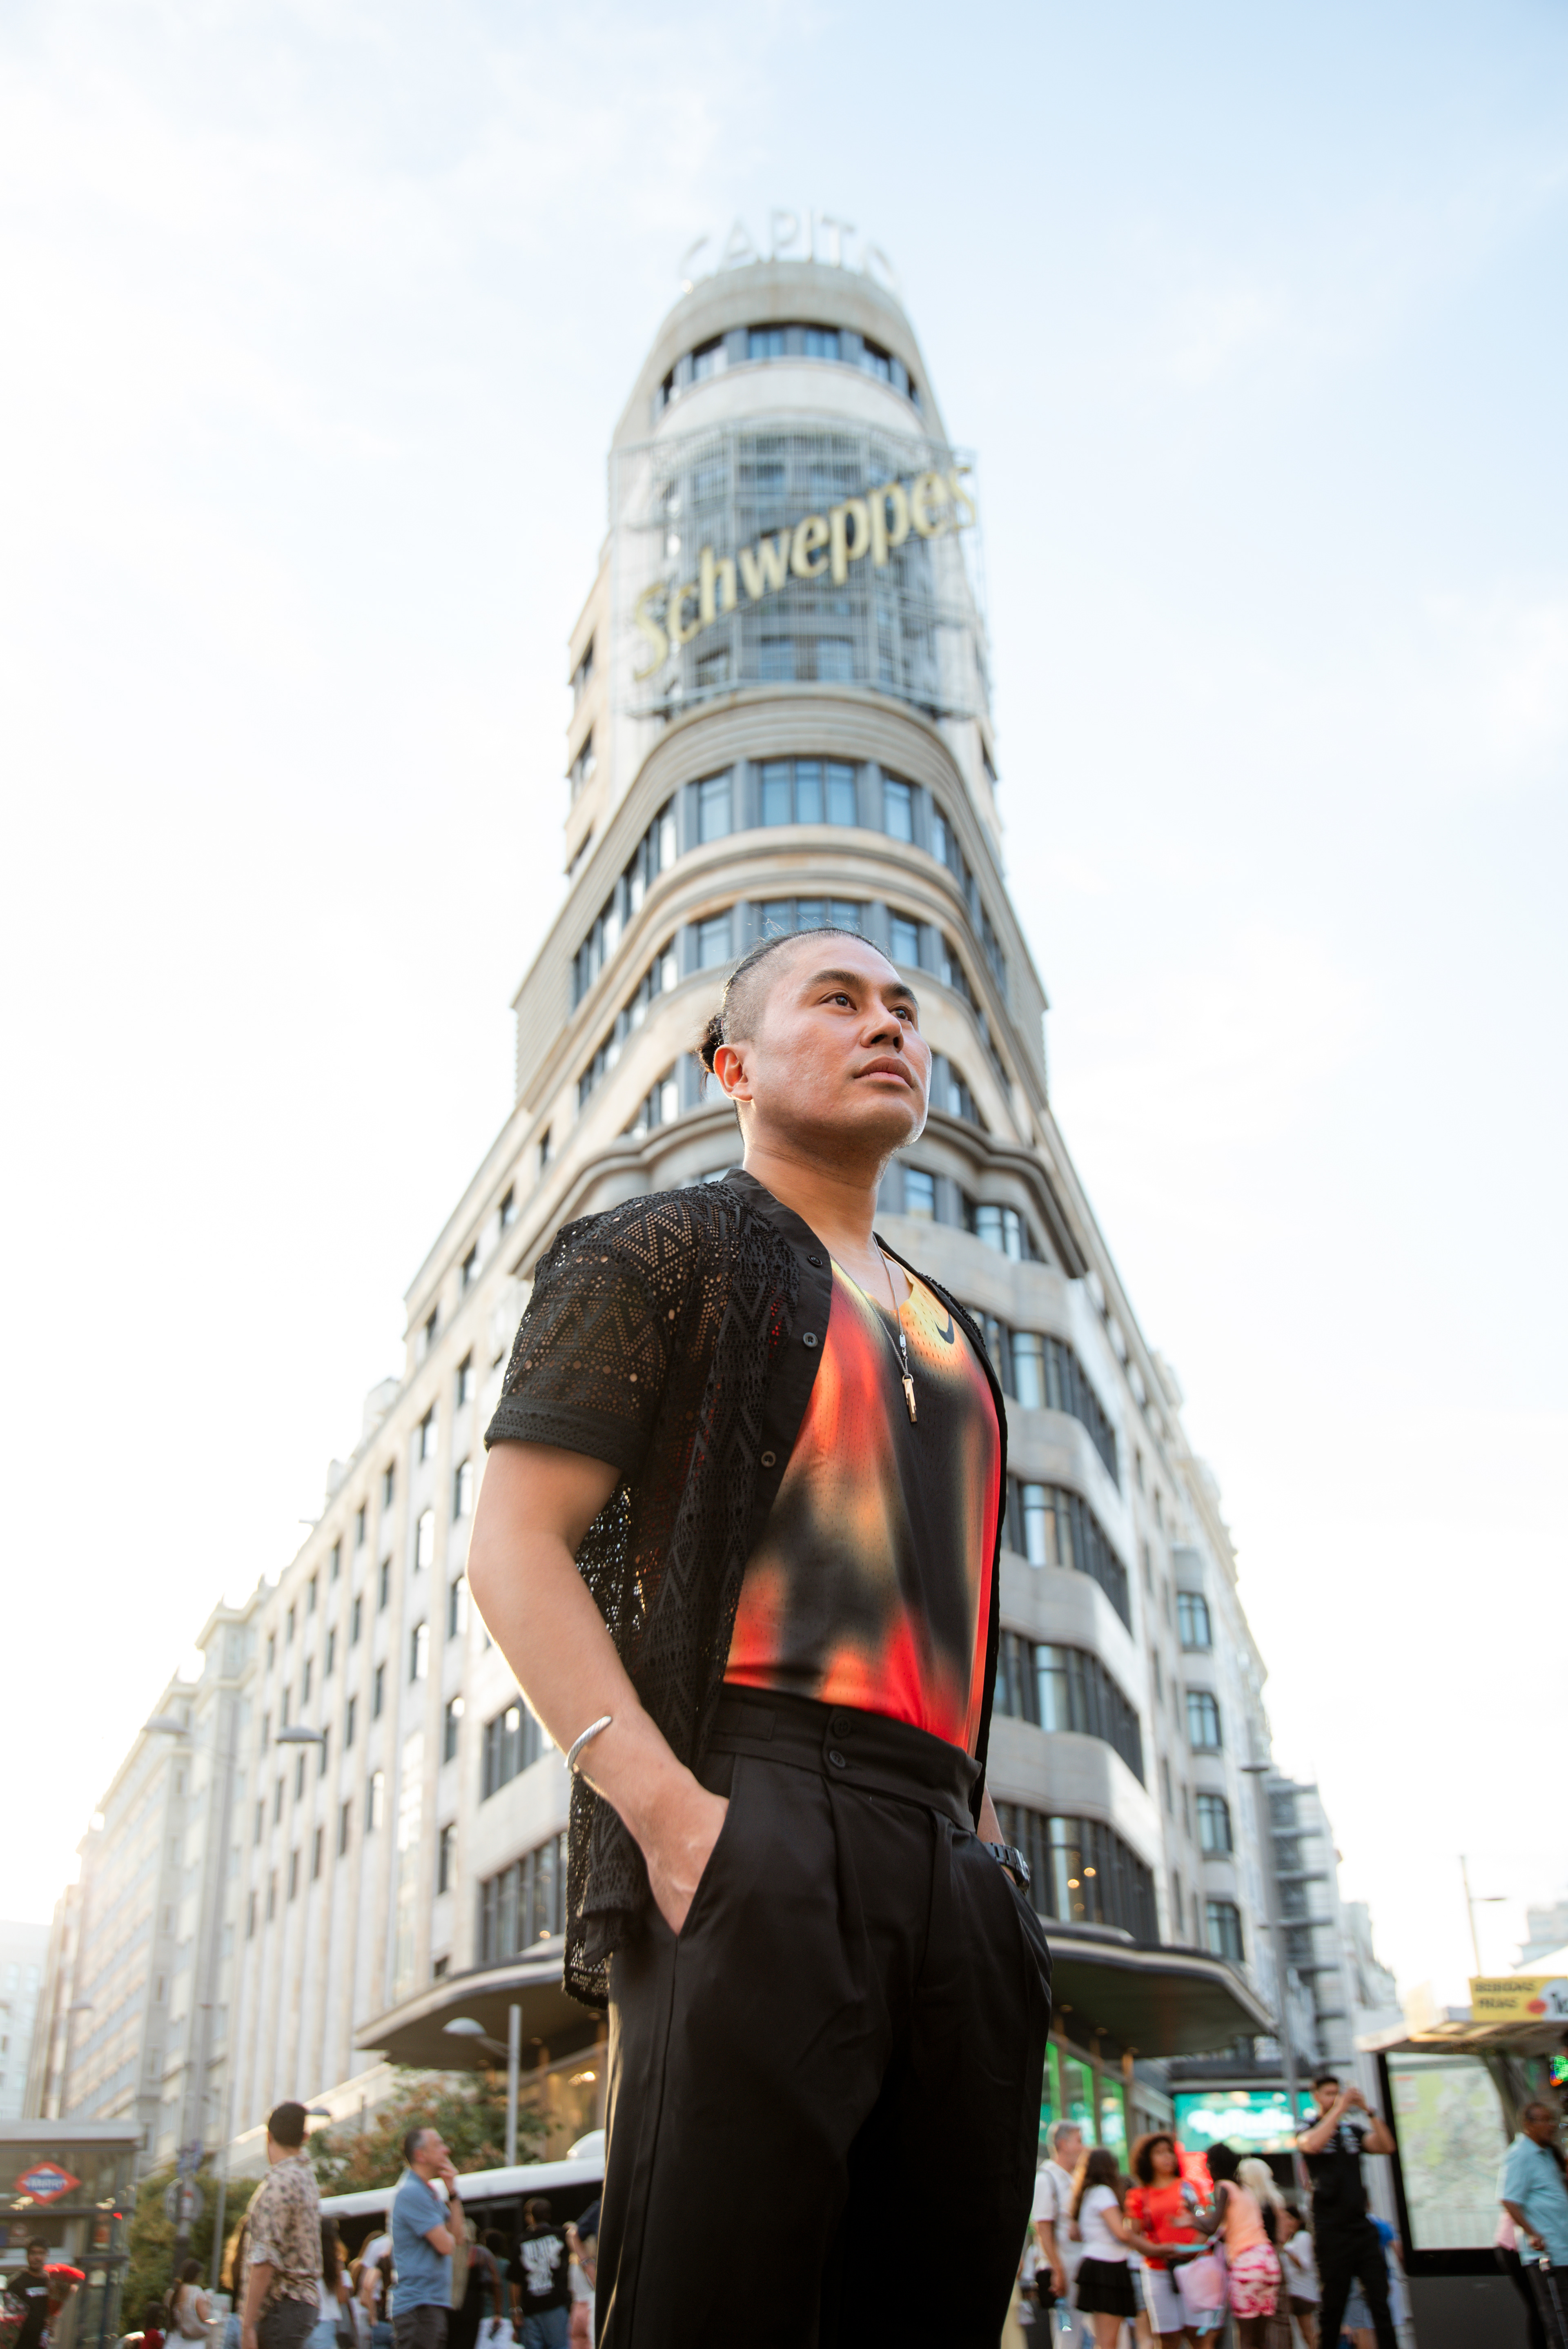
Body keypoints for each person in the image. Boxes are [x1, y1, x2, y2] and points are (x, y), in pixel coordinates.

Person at [467, 924, 1051, 2348]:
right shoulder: (659, 1252)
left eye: (904, 1008)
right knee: (714, 2306)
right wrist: (672, 1817)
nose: (887, 1026)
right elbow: (513, 1547)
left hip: (947, 1853)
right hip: (753, 1805)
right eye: (837, 999)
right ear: (732, 1064)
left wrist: (976, 1854)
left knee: (933, 2303)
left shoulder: (956, 1334)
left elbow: (952, 1617)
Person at [1296, 2073, 1396, 2349]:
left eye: (1337, 2093)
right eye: (1328, 2093)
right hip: (1331, 2230)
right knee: (1334, 2306)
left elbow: (1386, 2146)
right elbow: (1311, 2145)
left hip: (1361, 2228)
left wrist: (1369, 2110)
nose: (1334, 2098)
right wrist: (1339, 2108)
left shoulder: (1352, 2130)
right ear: (1316, 2095)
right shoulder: (1307, 2126)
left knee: (1380, 2300)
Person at [241, 2105, 323, 2349]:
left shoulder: (278, 2185)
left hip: (280, 2304)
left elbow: (265, 2258)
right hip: (304, 2304)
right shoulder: (306, 2178)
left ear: (269, 2136)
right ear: (305, 2138)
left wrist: (247, 2325)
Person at [1184, 2151, 1281, 2348]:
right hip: (1269, 2261)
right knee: (1262, 2339)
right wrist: (1196, 2217)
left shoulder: (1223, 2187)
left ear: (1213, 2165)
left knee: (1245, 2339)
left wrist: (1193, 2209)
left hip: (1246, 2263)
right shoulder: (1245, 2190)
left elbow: (1211, 2225)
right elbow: (1214, 2221)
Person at [390, 2129, 467, 2349]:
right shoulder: (412, 2192)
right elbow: (446, 2245)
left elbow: (458, 2237)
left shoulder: (427, 2192)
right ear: (421, 2155)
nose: (447, 2150)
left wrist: (452, 2192)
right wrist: (449, 2237)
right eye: (439, 2144)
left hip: (428, 2304)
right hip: (419, 2307)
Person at [1501, 2099, 1568, 2346]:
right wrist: (1532, 2233)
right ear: (1529, 2124)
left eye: (1553, 2120)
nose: (1552, 2126)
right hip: (1546, 2250)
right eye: (1546, 2120)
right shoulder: (1521, 2155)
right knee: (1557, 2315)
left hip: (1563, 2246)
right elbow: (1509, 2199)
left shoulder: (1548, 2153)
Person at [1125, 2133, 1203, 2343]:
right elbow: (1132, 2234)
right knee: (1167, 2338)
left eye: (1170, 2152)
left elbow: (1205, 2222)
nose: (1167, 2157)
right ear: (1146, 2159)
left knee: (1199, 2337)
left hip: (1193, 2268)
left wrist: (1191, 2250)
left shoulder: (1188, 2188)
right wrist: (1154, 2251)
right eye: (1159, 2153)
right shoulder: (1139, 2195)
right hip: (1157, 2270)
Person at [1069, 2148, 1140, 2345]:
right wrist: (1143, 2240)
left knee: (1102, 2339)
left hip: (1095, 2265)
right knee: (1109, 2341)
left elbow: (1074, 2234)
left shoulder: (1087, 2193)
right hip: (1108, 2267)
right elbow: (1120, 2233)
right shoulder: (1103, 2193)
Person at [1033, 2123, 1087, 2341]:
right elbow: (1043, 2228)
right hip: (1062, 2268)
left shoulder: (1075, 2178)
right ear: (1063, 2145)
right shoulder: (1046, 2178)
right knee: (1066, 2331)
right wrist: (1057, 2270)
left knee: (1085, 2329)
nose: (1083, 2147)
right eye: (1079, 2141)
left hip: (1079, 2265)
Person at [512, 2203, 568, 2349]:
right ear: (549, 2216)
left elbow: (515, 2281)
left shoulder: (521, 2242)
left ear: (530, 2218)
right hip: (557, 2303)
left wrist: (516, 2311)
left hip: (531, 2308)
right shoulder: (561, 2235)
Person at [1276, 2207, 1320, 2349]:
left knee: (1309, 2334)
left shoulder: (1303, 2237)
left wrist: (1286, 2250)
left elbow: (1304, 2264)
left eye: (1290, 2218)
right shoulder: (1290, 2240)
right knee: (1301, 2335)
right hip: (1292, 2293)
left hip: (1303, 2294)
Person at [6, 2242, 56, 2349]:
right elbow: (9, 2318)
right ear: (27, 2256)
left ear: (47, 2256)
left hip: (42, 2342)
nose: (37, 2258)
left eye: (41, 2253)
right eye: (33, 2253)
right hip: (20, 2344)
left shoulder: (50, 2282)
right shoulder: (17, 2283)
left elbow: (52, 2312)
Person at [168, 2261, 214, 2345]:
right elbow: (205, 2317)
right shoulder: (196, 2291)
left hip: (174, 2340)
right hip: (192, 2342)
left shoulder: (173, 2292)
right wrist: (208, 2302)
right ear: (197, 2275)